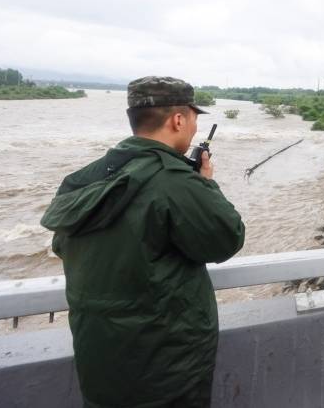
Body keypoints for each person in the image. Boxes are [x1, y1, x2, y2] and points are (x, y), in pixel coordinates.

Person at [41, 76, 245, 408]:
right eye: (194, 118)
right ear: (178, 120)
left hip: (100, 366)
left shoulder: (85, 178)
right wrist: (205, 185)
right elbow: (226, 238)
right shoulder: (174, 182)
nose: (194, 127)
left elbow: (63, 246)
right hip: (168, 372)